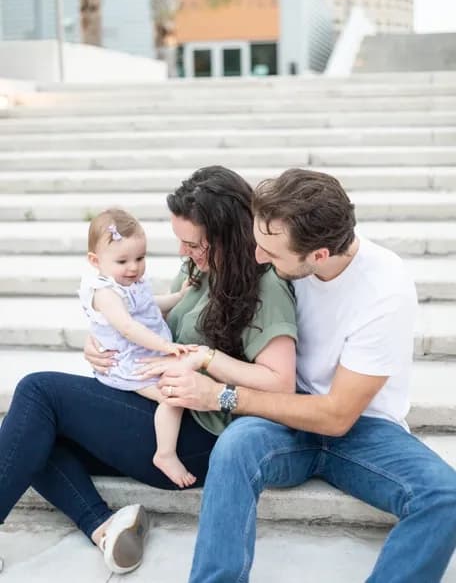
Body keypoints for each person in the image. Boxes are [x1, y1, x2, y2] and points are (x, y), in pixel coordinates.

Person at [150, 168, 456, 583]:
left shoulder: (386, 290)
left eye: (272, 255)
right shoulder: (283, 250)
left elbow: (336, 416)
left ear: (319, 256)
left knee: (445, 497)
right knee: (236, 446)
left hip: (361, 429)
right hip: (285, 419)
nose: (259, 259)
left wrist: (221, 395)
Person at [0, 166, 297, 576]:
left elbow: (281, 384)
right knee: (31, 433)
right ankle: (104, 528)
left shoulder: (267, 289)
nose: (181, 252)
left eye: (192, 243)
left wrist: (209, 362)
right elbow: (141, 320)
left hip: (198, 432)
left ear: (228, 236)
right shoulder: (199, 270)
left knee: (37, 393)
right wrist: (100, 340)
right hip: (154, 400)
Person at [79, 207, 198, 488]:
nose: (133, 267)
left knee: (176, 388)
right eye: (123, 261)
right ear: (95, 261)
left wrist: (179, 296)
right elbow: (128, 328)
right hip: (130, 360)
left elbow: (149, 308)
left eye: (140, 258)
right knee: (172, 395)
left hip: (147, 352)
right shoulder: (104, 291)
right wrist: (166, 346)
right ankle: (165, 453)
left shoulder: (128, 282)